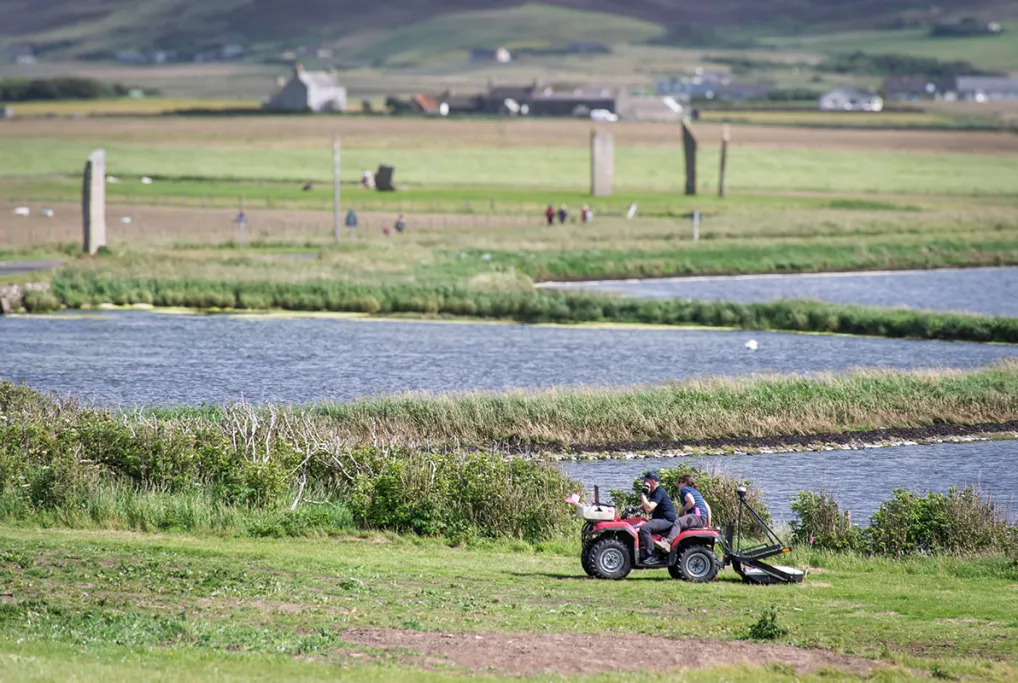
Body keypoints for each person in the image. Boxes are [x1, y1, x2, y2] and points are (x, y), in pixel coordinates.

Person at [637, 470, 677, 565]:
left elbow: (649, 508)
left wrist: (642, 494)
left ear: (653, 481)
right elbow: (647, 504)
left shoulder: (659, 491)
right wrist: (635, 509)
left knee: (644, 528)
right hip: (661, 519)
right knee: (639, 525)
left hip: (667, 520)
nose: (644, 483)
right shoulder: (654, 492)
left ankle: (652, 555)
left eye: (646, 481)